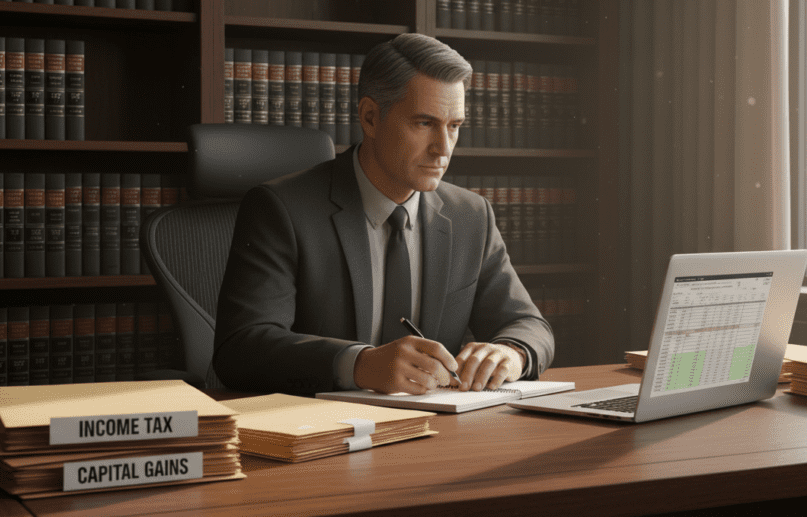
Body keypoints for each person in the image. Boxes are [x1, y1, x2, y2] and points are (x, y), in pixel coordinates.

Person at [214, 33, 554, 396]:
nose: (443, 148)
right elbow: (242, 347)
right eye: (424, 123)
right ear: (370, 118)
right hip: (325, 433)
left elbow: (528, 324)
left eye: (454, 126)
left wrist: (512, 353)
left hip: (438, 433)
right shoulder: (281, 208)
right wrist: (358, 364)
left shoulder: (470, 216)